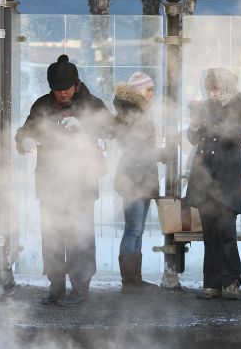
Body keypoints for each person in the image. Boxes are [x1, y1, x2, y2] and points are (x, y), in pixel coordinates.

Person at [14, 54, 115, 306]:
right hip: (50, 183)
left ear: (76, 84)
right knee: (53, 234)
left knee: (79, 235)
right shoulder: (41, 105)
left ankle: (81, 288)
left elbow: (112, 130)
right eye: (56, 89)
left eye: (66, 88)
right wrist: (23, 140)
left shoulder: (92, 104)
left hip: (82, 182)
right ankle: (56, 285)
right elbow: (26, 130)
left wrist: (84, 125)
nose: (61, 93)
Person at [184, 68, 241, 300]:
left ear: (224, 87)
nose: (211, 93)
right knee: (210, 234)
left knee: (226, 233)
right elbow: (192, 137)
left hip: (227, 179)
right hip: (204, 178)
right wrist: (195, 121)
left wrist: (209, 121)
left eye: (214, 88)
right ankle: (211, 283)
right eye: (208, 89)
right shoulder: (205, 107)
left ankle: (231, 280)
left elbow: (236, 134)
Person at [113, 72, 164, 293]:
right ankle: (129, 281)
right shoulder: (131, 113)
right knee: (133, 229)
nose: (152, 94)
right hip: (134, 177)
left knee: (138, 229)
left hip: (141, 176)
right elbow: (136, 148)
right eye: (148, 89)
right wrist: (160, 153)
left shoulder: (137, 112)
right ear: (138, 91)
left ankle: (135, 279)